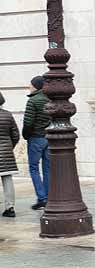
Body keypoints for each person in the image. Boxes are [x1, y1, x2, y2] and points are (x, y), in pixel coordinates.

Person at [22, 75, 50, 211]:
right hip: (48, 138)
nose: (29, 86)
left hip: (36, 137)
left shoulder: (33, 101)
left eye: (31, 84)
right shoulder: (50, 99)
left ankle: (41, 198)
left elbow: (28, 122)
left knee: (34, 168)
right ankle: (48, 196)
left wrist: (26, 135)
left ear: (35, 86)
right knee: (47, 168)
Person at [0, 92, 19, 218]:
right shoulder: (8, 115)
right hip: (6, 152)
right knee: (7, 180)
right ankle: (10, 207)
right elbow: (16, 135)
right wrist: (8, 147)